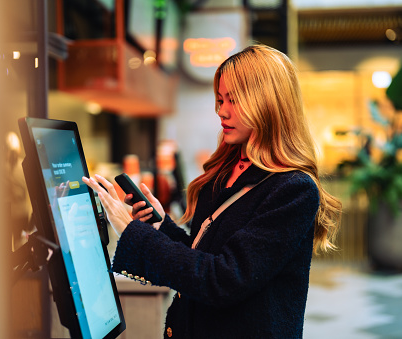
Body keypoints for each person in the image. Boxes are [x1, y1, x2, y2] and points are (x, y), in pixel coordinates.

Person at [82, 44, 342, 339]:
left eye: (233, 100)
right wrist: (159, 226)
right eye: (220, 99)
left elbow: (223, 279)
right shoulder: (226, 172)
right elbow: (202, 256)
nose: (221, 110)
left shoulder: (293, 190)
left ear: (267, 102)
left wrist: (132, 233)